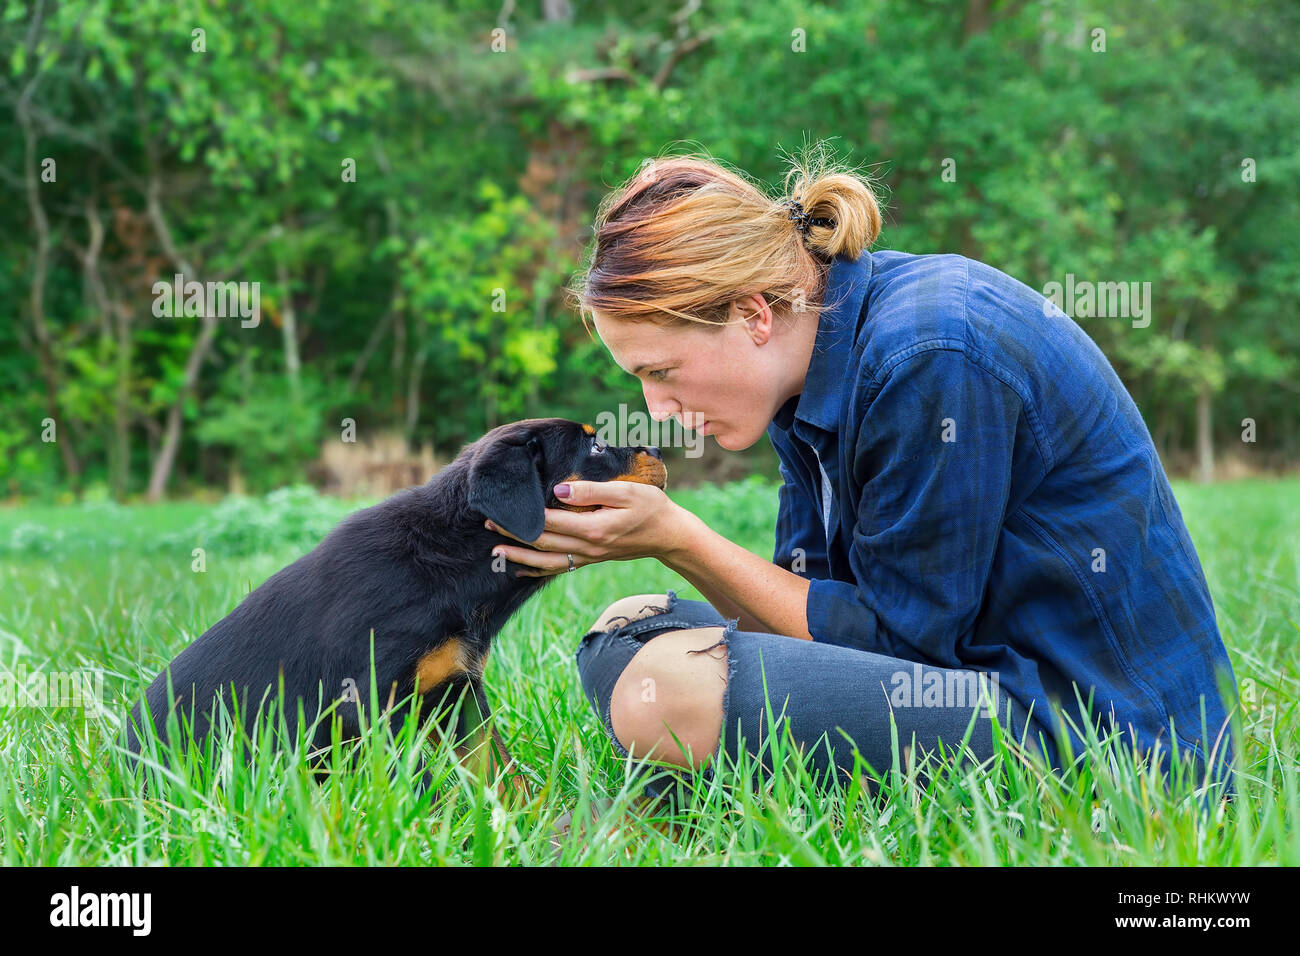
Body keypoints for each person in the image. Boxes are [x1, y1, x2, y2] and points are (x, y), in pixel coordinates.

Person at [485, 147, 1238, 801]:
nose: (656, 407)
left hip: (1106, 742)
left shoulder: (930, 357)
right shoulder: (807, 369)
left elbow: (904, 654)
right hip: (975, 680)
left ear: (752, 314)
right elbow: (805, 610)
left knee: (667, 692)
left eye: (662, 371)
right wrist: (669, 554)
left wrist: (680, 538)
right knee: (628, 624)